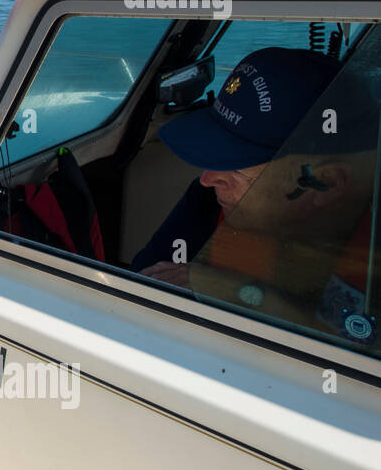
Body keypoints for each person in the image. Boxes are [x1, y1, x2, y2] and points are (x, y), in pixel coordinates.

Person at [133, 46, 379, 343]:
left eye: (237, 167)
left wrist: (239, 293)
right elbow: (143, 286)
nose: (207, 179)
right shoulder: (210, 199)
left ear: (327, 182)